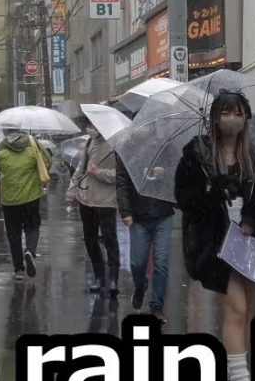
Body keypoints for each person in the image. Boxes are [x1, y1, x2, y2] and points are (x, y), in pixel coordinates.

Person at [174, 90, 255, 381]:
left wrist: (253, 214)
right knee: (235, 308)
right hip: (218, 244)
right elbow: (185, 198)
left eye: (238, 112)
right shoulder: (197, 154)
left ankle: (233, 379)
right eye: (226, 112)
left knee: (246, 312)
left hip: (253, 242)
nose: (232, 119)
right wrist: (212, 192)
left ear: (246, 116)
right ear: (214, 117)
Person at [116, 155, 175, 321]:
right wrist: (125, 212)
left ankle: (157, 306)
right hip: (138, 216)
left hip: (163, 214)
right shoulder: (127, 151)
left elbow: (180, 171)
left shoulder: (166, 149)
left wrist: (166, 173)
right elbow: (122, 183)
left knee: (161, 262)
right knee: (137, 262)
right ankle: (140, 286)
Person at [67, 121, 120, 294]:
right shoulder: (90, 142)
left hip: (106, 201)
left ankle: (113, 279)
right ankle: (99, 277)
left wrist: (99, 172)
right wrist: (72, 190)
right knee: (90, 240)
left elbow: (120, 175)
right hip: (86, 199)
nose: (94, 127)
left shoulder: (116, 144)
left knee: (109, 239)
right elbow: (81, 169)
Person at [0, 126, 48, 278]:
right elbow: (46, 162)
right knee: (32, 226)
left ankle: (18, 269)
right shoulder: (32, 142)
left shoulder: (0, 147)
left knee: (13, 234)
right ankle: (30, 251)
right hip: (31, 195)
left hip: (9, 199)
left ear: (5, 131)